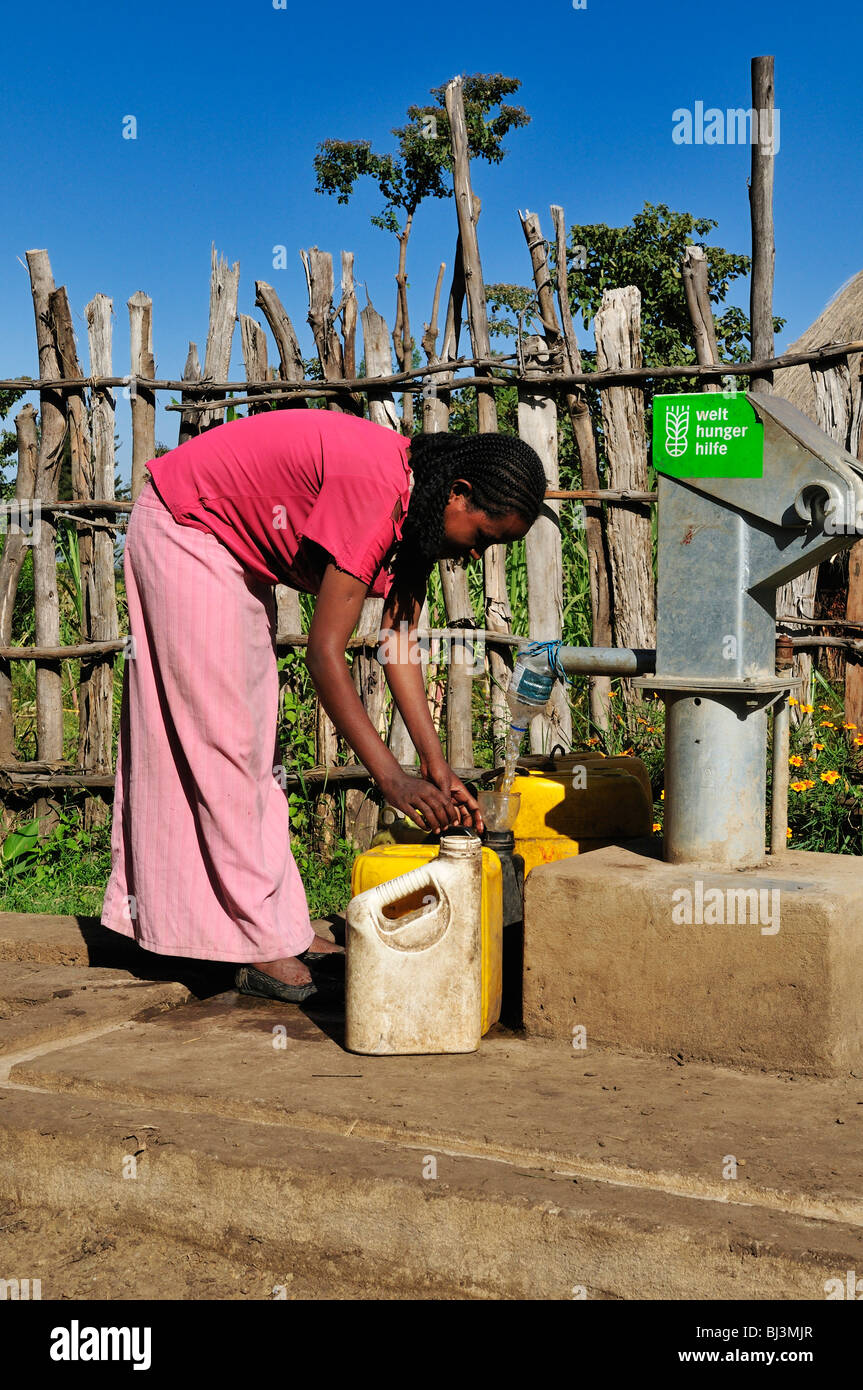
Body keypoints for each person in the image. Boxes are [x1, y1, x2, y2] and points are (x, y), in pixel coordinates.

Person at [100, 408, 547, 1001]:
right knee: (226, 742)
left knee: (252, 748)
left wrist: (435, 767)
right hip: (186, 528)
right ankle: (260, 946)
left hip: (226, 551)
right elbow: (326, 655)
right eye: (485, 537)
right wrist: (392, 780)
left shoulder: (416, 511)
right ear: (459, 494)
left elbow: (398, 645)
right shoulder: (378, 493)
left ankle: (278, 926)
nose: (475, 556)